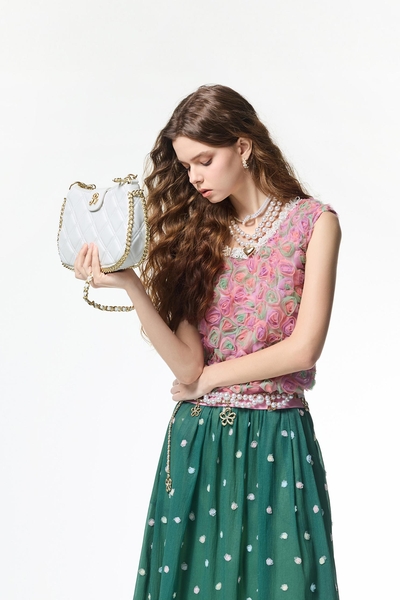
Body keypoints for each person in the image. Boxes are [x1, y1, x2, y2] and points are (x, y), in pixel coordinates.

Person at [74, 84, 341, 599]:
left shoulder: (314, 223)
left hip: (277, 440)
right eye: (186, 165)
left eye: (204, 160)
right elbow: (187, 368)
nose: (194, 177)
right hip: (197, 442)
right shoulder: (197, 235)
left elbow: (304, 348)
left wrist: (209, 380)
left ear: (243, 146)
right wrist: (132, 285)